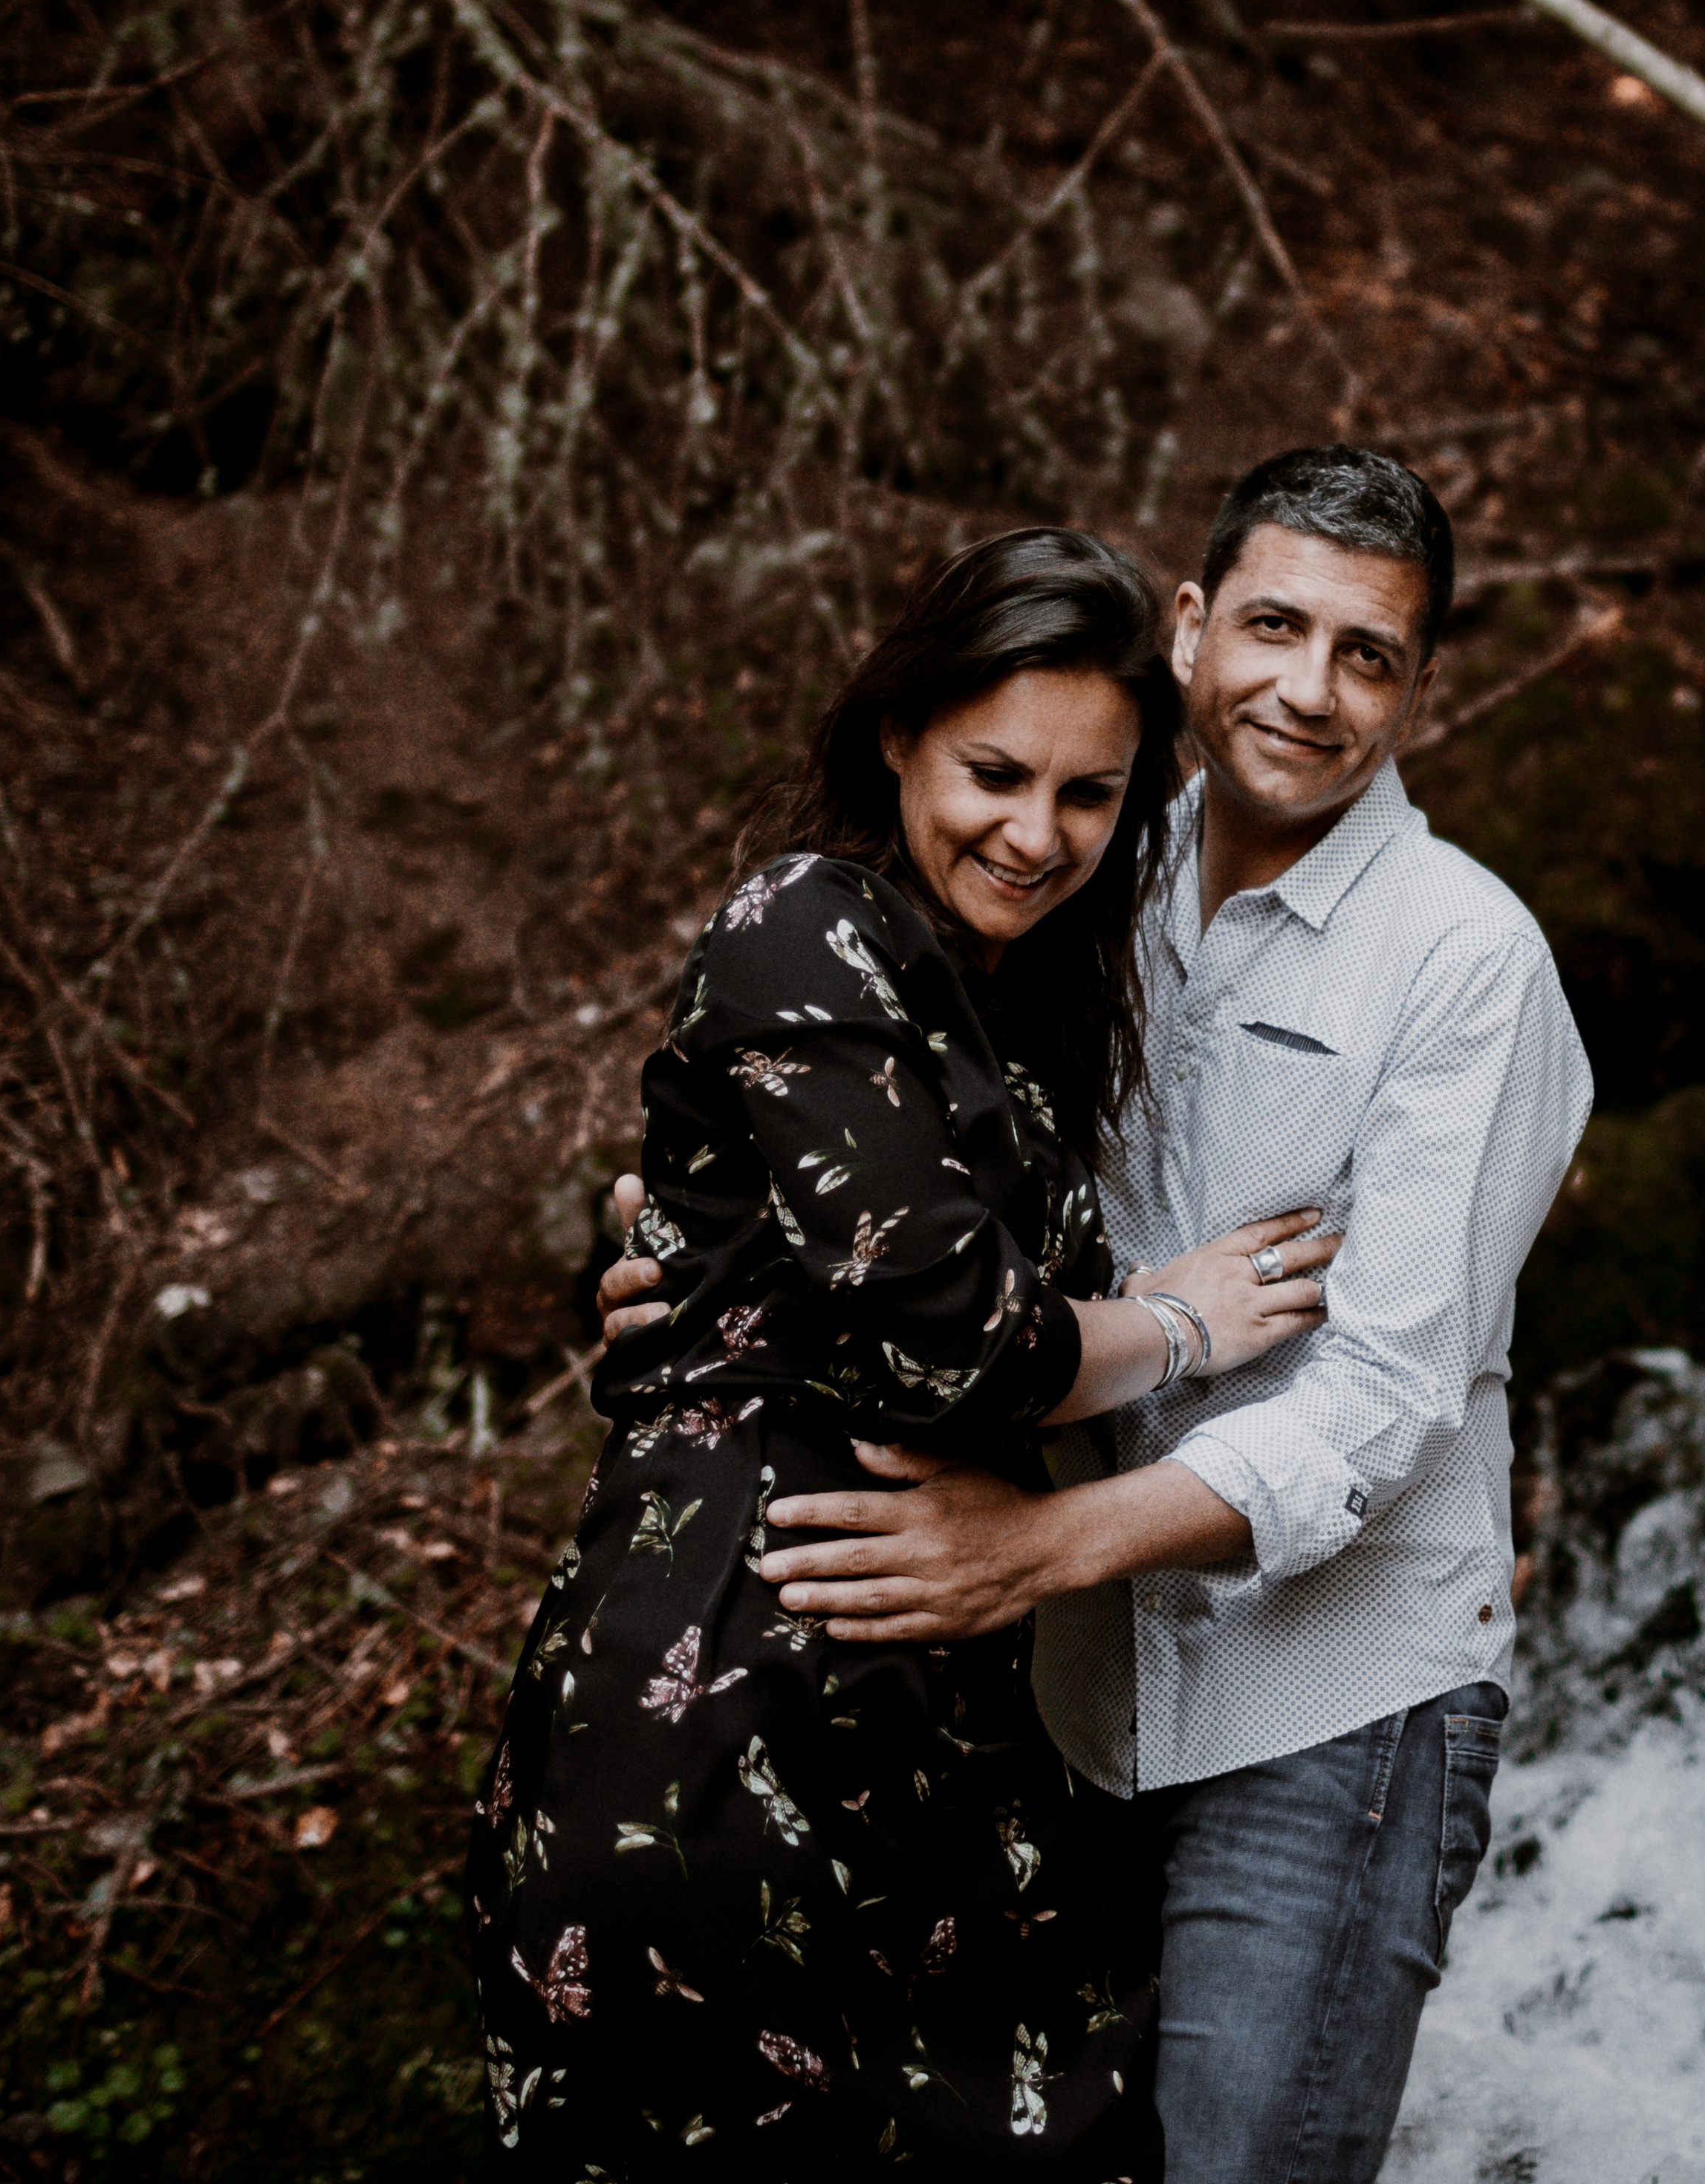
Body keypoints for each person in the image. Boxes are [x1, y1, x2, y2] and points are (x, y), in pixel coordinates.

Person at [607, 449, 1594, 2184]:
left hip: (1329, 1713)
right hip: (1056, 1716)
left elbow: (1384, 1393)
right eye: (1275, 624)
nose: (1310, 686)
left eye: (1369, 654)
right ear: (1195, 627)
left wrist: (1032, 1547)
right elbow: (903, 1170)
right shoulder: (1079, 864)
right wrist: (672, 1248)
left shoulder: (1468, 963)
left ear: (1419, 690)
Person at [469, 527, 1340, 2179]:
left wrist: (697, 1248)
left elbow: (842, 1259)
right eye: (994, 773)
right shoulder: (812, 920)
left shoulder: (1002, 1011)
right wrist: (1175, 1322)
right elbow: (952, 1339)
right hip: (730, 1724)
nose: (1036, 834)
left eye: (1089, 797)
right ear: (896, 734)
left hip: (933, 1751)